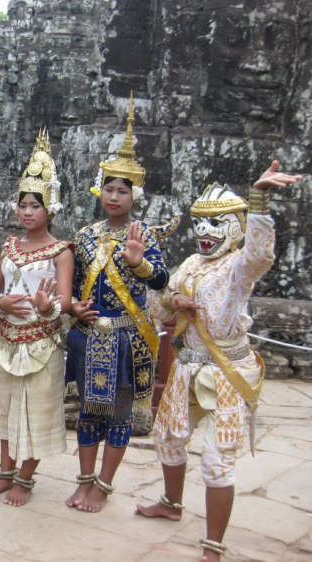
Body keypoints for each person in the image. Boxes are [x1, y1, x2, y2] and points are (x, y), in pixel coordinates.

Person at [135, 162, 301, 562]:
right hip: (187, 365)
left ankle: (213, 546)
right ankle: (172, 504)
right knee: (169, 438)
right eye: (200, 225)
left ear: (236, 227)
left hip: (227, 370)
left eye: (216, 225)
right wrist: (159, 286)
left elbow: (261, 254)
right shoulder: (191, 264)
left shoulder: (239, 267)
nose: (205, 233)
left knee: (216, 459)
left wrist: (258, 199)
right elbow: (159, 308)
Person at [64, 93, 170, 513]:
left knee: (120, 415)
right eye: (108, 188)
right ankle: (84, 480)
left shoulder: (144, 236)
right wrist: (72, 306)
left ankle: (103, 487)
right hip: (90, 335)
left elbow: (162, 279)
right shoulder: (87, 234)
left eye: (122, 190)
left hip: (127, 340)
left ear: (134, 196)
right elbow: (69, 284)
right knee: (88, 413)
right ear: (100, 190)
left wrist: (139, 264)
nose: (113, 196)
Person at [0, 130, 74, 506]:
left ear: (51, 209)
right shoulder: (9, 247)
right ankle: (4, 473)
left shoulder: (60, 251)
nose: (27, 212)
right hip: (7, 339)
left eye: (35, 205)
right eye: (23, 205)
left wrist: (46, 304)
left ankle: (26, 478)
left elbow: (64, 301)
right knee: (7, 410)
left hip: (42, 343)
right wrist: (1, 304)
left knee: (36, 411)